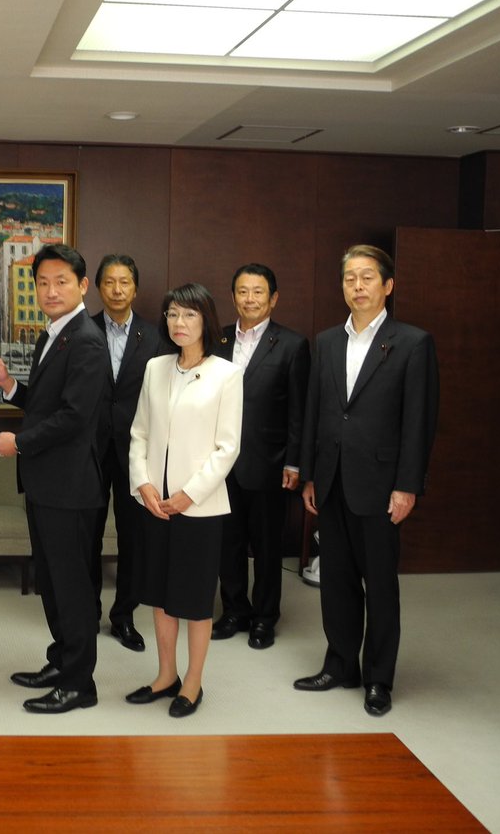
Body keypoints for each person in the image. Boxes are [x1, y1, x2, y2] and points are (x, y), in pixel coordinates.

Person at [296, 245, 439, 717]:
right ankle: (340, 664)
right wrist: (310, 474)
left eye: (367, 277)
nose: (357, 286)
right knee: (335, 580)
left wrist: (408, 485)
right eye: (349, 278)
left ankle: (378, 677)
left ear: (388, 285)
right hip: (332, 479)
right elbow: (316, 412)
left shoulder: (412, 343)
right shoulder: (327, 341)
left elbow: (418, 422)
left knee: (379, 585)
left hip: (381, 485)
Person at [0, 243, 109, 714]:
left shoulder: (86, 340)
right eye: (43, 282)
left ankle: (79, 684)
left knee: (73, 587)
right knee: (54, 583)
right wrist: (10, 386)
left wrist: (19, 442)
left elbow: (74, 417)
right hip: (48, 484)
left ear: (82, 286)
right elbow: (46, 403)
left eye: (61, 282)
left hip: (70, 487)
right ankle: (61, 662)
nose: (51, 291)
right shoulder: (55, 333)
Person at [126, 283, 242, 718]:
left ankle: (193, 682)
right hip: (155, 504)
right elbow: (139, 433)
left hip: (199, 506)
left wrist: (189, 494)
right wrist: (143, 484)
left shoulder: (226, 374)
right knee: (159, 594)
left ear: (206, 321)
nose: (180, 323)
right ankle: (165, 675)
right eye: (173, 314)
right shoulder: (155, 368)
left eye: (189, 315)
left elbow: (227, 447)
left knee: (194, 600)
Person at [212, 263, 310, 650]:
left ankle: (264, 618)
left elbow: (299, 410)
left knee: (267, 547)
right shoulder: (217, 340)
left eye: (258, 292)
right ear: (233, 296)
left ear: (273, 299)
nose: (249, 299)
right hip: (222, 464)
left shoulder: (292, 345)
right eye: (242, 291)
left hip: (270, 463)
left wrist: (294, 461)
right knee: (228, 543)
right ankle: (234, 610)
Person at [90, 254, 173, 653]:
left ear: (135, 289)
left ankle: (123, 616)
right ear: (98, 287)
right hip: (89, 450)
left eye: (124, 282)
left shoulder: (155, 337)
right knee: (87, 536)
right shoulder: (82, 330)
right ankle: (87, 611)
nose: (117, 289)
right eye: (109, 282)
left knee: (133, 539)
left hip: (136, 451)